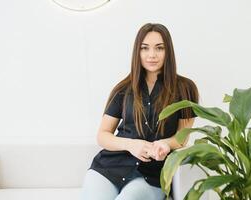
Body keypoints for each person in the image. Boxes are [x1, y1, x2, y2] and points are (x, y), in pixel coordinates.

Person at [81, 23, 199, 200]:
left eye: (159, 48)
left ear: (168, 52)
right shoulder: (123, 89)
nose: (152, 55)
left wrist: (164, 144)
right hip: (109, 167)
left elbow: (182, 137)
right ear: (138, 52)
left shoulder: (185, 89)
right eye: (145, 48)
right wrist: (131, 145)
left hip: (151, 175)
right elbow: (103, 135)